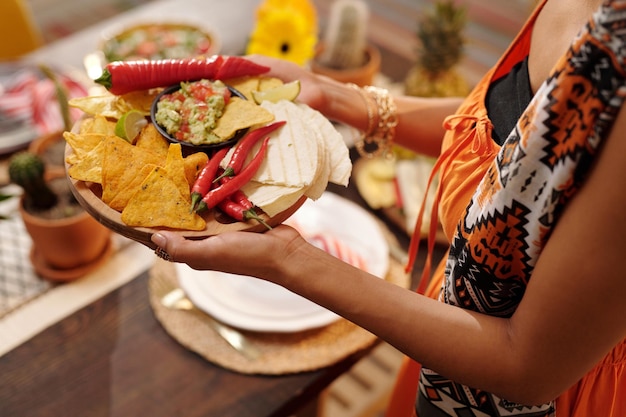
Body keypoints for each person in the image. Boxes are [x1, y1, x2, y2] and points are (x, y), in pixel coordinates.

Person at [151, 0, 626, 415]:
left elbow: (526, 367)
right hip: (452, 335)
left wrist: (289, 260)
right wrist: (340, 96)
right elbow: (514, 132)